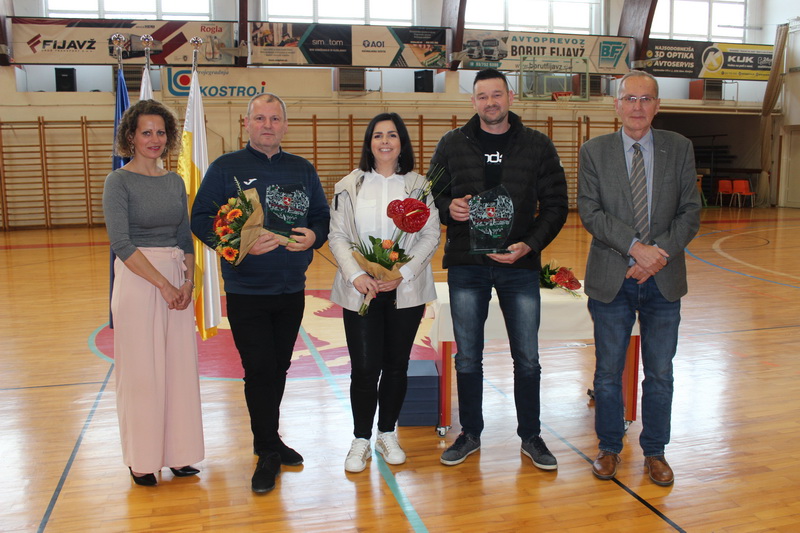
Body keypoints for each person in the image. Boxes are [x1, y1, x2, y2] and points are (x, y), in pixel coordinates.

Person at [190, 93, 330, 494]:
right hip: (247, 289)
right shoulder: (225, 167)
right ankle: (267, 450)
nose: (268, 125)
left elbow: (321, 216)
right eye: (260, 118)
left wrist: (314, 236)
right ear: (246, 123)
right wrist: (240, 243)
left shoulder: (302, 169)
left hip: (291, 288)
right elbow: (200, 219)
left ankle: (268, 439)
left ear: (285, 125)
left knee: (279, 367)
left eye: (275, 119)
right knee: (259, 369)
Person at [430, 68, 568, 469]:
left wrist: (530, 245)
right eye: (482, 96)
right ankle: (470, 434)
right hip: (467, 265)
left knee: (527, 358)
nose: (490, 102)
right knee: (467, 357)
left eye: (496, 94)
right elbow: (432, 194)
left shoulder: (537, 145)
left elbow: (556, 204)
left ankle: (532, 436)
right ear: (473, 101)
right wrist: (449, 208)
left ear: (510, 96)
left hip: (519, 266)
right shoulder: (452, 143)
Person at [577, 70, 701, 486]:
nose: (637, 106)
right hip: (612, 277)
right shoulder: (594, 151)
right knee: (608, 373)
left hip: (663, 280)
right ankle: (609, 447)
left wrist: (656, 255)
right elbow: (591, 212)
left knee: (660, 373)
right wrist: (635, 248)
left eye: (646, 99)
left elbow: (690, 211)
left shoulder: (679, 148)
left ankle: (655, 451)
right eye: (630, 98)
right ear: (616, 104)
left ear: (657, 105)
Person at [328, 113, 440, 473]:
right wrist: (357, 274)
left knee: (396, 366)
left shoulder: (419, 186)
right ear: (369, 143)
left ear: (402, 142)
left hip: (404, 291)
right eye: (378, 135)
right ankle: (360, 438)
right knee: (364, 369)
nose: (385, 141)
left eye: (392, 135)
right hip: (361, 291)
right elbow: (337, 236)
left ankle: (387, 433)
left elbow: (431, 235)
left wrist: (402, 274)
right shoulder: (349, 185)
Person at [102, 99, 204, 487]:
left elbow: (184, 238)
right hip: (139, 281)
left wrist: (187, 284)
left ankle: (179, 454)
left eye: (161, 132)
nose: (154, 139)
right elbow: (121, 243)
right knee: (143, 374)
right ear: (131, 136)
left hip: (176, 283)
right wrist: (163, 284)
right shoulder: (118, 182)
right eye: (146, 132)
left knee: (178, 370)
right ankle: (143, 460)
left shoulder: (174, 181)